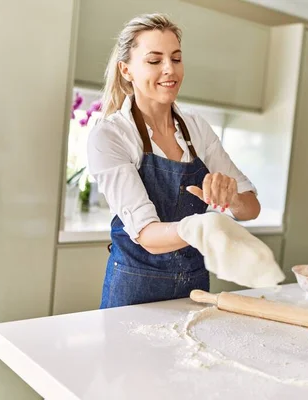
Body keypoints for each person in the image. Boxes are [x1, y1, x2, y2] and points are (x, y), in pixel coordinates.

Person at [87, 13, 261, 309]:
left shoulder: (197, 129)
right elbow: (146, 235)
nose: (169, 70)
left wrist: (231, 198)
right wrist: (203, 226)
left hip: (194, 289)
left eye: (176, 59)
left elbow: (250, 208)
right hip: (134, 291)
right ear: (126, 70)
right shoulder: (111, 135)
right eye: (154, 61)